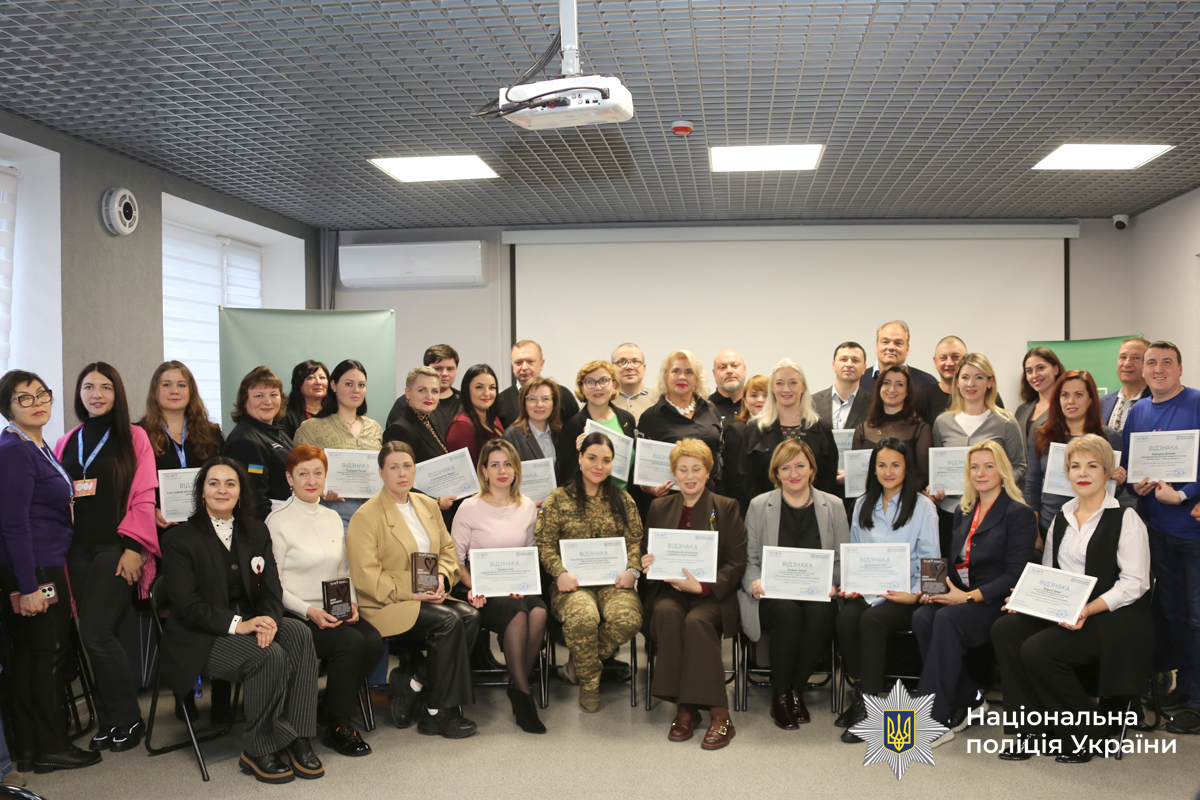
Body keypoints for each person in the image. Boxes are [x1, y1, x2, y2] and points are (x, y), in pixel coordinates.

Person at [159, 457, 322, 783]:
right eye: (214, 483)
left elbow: (271, 590)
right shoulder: (180, 539)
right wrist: (241, 624)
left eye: (230, 483)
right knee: (268, 654)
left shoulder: (256, 531)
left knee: (299, 634)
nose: (222, 490)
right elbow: (187, 607)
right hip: (200, 637)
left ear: (240, 492)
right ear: (201, 490)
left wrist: (270, 619)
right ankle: (258, 748)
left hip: (251, 623)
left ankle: (299, 735)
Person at [993, 434, 1152, 763]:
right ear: (1066, 472)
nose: (1083, 472)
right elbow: (1050, 572)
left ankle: (1085, 736)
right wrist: (1025, 599)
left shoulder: (1125, 518)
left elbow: (1135, 584)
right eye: (1075, 465)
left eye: (1092, 465)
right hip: (1066, 609)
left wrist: (1087, 608)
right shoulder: (1061, 518)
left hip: (1110, 617)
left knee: (1038, 650)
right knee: (1005, 628)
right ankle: (1032, 731)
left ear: (1107, 471)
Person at [55, 362, 159, 755]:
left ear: (117, 393)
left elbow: (145, 493)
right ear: (79, 394)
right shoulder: (67, 441)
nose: (95, 394)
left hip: (116, 548)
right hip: (75, 550)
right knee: (96, 634)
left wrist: (135, 548)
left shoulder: (133, 437)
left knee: (96, 632)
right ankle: (111, 718)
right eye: (87, 387)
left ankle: (127, 715)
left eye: (104, 387)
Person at [0, 370, 101, 773]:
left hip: (43, 563)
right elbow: (13, 524)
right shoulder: (14, 450)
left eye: (41, 393)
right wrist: (27, 587)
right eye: (23, 398)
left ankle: (29, 747)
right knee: (47, 656)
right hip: (35, 569)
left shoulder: (36, 445)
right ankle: (50, 746)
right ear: (7, 407)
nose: (37, 401)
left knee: (33, 658)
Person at [346, 442, 480, 738]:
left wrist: (443, 578)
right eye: (393, 467)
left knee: (469, 616)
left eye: (407, 466)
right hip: (385, 604)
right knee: (450, 621)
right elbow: (366, 576)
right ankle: (438, 713)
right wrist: (413, 592)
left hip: (431, 594)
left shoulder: (427, 505)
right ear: (381, 472)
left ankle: (415, 684)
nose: (401, 473)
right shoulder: (366, 516)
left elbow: (447, 551)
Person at [913, 441, 1037, 745]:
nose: (981, 473)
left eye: (988, 466)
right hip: (963, 596)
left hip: (996, 602)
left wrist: (967, 597)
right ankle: (970, 696)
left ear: (1003, 471)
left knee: (948, 619)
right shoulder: (964, 509)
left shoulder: (1018, 513)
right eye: (974, 467)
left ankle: (934, 717)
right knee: (922, 616)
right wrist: (937, 589)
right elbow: (957, 563)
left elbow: (1015, 574)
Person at [267, 445, 383, 757]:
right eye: (302, 473)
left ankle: (331, 701)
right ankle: (337, 725)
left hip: (333, 608)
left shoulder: (332, 517)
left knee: (372, 640)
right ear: (289, 478)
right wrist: (310, 611)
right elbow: (272, 586)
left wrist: (353, 603)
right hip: (296, 614)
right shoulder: (277, 521)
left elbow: (343, 569)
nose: (311, 479)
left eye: (318, 472)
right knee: (350, 643)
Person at [640, 439, 746, 749]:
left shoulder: (726, 507)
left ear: (707, 471)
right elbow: (647, 553)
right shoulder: (659, 507)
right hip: (671, 591)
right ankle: (685, 710)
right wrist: (647, 561)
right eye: (682, 469)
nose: (689, 476)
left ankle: (719, 714)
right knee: (666, 613)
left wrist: (702, 587)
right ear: (673, 473)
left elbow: (736, 563)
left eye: (696, 469)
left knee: (696, 622)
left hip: (711, 595)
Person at [738, 439, 848, 729]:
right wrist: (754, 582)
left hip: (818, 593)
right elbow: (749, 559)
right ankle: (780, 695)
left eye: (800, 465)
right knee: (787, 613)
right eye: (785, 467)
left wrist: (835, 584)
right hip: (773, 594)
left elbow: (841, 558)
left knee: (820, 614)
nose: (793, 473)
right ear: (776, 473)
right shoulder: (760, 505)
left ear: (812, 469)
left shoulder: (833, 506)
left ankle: (796, 690)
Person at [836, 439, 939, 742]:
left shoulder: (923, 507)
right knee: (844, 620)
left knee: (872, 621)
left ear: (907, 469)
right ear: (873, 469)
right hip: (868, 591)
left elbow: (933, 563)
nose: (888, 471)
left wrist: (917, 594)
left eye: (896, 464)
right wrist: (852, 584)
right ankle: (860, 692)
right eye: (882, 465)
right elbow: (854, 551)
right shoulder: (862, 503)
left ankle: (868, 707)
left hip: (906, 595)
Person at [1122, 341, 1200, 734]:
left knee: (1197, 617)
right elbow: (1133, 468)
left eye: (1166, 362)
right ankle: (1185, 690)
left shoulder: (1198, 402)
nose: (1157, 368)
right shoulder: (1139, 410)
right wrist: (1136, 484)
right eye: (1150, 363)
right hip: (1158, 532)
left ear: (1180, 369)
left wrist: (1186, 494)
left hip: (1193, 531)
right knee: (1172, 617)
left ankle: (1198, 701)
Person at [536, 432, 643, 711]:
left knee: (628, 618)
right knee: (583, 617)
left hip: (613, 583)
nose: (599, 466)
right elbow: (544, 543)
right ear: (580, 458)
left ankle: (578, 665)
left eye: (606, 460)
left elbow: (635, 542)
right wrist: (558, 572)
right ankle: (590, 684)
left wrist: (633, 569)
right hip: (571, 584)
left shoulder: (624, 500)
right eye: (593, 458)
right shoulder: (558, 499)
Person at [451, 439, 547, 734]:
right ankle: (524, 695)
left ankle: (516, 684)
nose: (502, 470)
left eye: (507, 464)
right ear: (484, 471)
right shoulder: (469, 508)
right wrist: (475, 585)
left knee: (540, 613)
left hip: (518, 585)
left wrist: (525, 581)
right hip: (484, 589)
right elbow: (455, 560)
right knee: (518, 616)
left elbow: (531, 552)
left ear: (516, 469)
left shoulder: (527, 505)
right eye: (495, 464)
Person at [930, 353, 1026, 558]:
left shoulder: (1006, 422)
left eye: (979, 377)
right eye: (965, 377)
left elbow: (1019, 466)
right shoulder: (942, 422)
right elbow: (938, 467)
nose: (970, 383)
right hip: (950, 514)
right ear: (957, 382)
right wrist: (936, 486)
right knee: (951, 573)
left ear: (990, 382)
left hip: (992, 513)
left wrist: (994, 483)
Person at [1024, 370, 1124, 538]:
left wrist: (1119, 482)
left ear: (1091, 399)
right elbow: (1032, 487)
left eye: (1078, 395)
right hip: (1049, 525)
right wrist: (1035, 533)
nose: (1071, 401)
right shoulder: (1041, 436)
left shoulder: (1108, 438)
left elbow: (1113, 492)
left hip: (1094, 528)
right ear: (1058, 400)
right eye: (1064, 395)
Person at [294, 359, 384, 529]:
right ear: (333, 385)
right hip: (331, 512)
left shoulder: (374, 428)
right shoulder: (312, 428)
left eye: (361, 385)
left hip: (374, 512)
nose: (356, 390)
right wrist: (320, 490)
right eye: (349, 384)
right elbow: (298, 472)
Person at [139, 360, 226, 530]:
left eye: (181, 385)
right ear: (155, 391)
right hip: (161, 529)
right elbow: (132, 487)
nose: (174, 391)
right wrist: (149, 511)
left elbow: (226, 476)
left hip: (208, 526)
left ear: (191, 391)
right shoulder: (139, 434)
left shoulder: (212, 434)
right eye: (166, 385)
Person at [741, 358, 839, 499]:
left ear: (803, 387)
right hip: (767, 512)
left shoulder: (820, 428)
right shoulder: (754, 429)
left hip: (813, 512)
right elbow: (746, 479)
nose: (786, 389)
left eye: (793, 383)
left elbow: (829, 479)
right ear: (772, 388)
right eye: (779, 383)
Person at [639, 350, 725, 493]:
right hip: (672, 501)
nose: (682, 377)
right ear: (665, 377)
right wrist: (651, 489)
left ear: (697, 379)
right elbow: (641, 469)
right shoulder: (650, 418)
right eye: (676, 371)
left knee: (713, 517)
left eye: (689, 372)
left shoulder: (710, 409)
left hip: (712, 498)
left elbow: (720, 453)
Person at [224, 366, 293, 520]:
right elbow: (254, 498)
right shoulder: (244, 441)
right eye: (259, 396)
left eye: (274, 395)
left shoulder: (276, 431)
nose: (268, 402)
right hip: (269, 526)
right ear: (244, 401)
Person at [557, 360, 636, 489]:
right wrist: (580, 453)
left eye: (604, 380)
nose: (598, 387)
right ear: (582, 388)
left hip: (625, 501)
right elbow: (566, 476)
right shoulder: (573, 426)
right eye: (590, 381)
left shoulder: (627, 419)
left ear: (614, 385)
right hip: (590, 503)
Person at [852, 365, 932, 488]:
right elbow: (857, 475)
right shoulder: (863, 429)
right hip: (870, 500)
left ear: (907, 392)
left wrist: (895, 496)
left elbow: (923, 475)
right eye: (886, 383)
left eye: (899, 384)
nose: (892, 389)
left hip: (907, 502)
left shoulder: (920, 429)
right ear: (879, 388)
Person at [494, 340, 580, 428]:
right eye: (518, 363)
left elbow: (575, 432)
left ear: (541, 364)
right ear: (512, 365)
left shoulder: (563, 395)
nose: (524, 367)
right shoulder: (500, 401)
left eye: (530, 362)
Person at [385, 344, 461, 437]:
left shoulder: (465, 401)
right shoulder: (405, 402)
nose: (445, 374)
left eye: (450, 369)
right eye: (438, 368)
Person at [723, 374, 768, 514]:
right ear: (745, 402)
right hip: (747, 508)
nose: (760, 400)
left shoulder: (781, 430)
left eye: (766, 395)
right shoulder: (736, 430)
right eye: (754, 395)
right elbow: (734, 480)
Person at [859, 320, 938, 397]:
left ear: (907, 349)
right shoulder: (859, 380)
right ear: (877, 347)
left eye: (898, 343)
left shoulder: (927, 383)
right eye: (885, 342)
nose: (891, 347)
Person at [446, 364, 505, 466]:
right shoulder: (462, 426)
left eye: (492, 387)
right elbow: (465, 472)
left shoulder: (494, 419)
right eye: (479, 387)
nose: (487, 393)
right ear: (467, 390)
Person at [501, 375, 563, 467]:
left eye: (545, 399)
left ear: (554, 404)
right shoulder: (512, 436)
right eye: (532, 399)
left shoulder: (559, 434)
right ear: (524, 404)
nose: (539, 405)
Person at [813, 341, 871, 432]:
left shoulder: (874, 404)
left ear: (864, 368)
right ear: (834, 365)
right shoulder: (812, 402)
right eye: (843, 359)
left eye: (855, 360)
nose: (849, 365)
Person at [1015, 346, 1065, 450]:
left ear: (1056, 369)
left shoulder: (1066, 407)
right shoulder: (1021, 410)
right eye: (1029, 371)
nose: (1034, 375)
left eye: (1040, 368)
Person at [1100, 336, 1151, 433]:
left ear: (1149, 364)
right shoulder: (1102, 404)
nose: (1127, 363)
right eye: (1123, 357)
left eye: (1136, 358)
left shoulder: (1158, 402)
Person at [915, 336, 968, 425]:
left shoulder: (983, 395)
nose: (949, 363)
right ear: (935, 362)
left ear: (966, 360)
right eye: (943, 358)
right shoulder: (922, 399)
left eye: (956, 357)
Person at [282, 360, 329, 439]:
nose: (318, 382)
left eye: (322, 377)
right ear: (298, 384)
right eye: (311, 378)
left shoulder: (335, 412)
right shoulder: (287, 416)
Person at [612, 343, 655, 421]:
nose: (629, 367)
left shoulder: (658, 400)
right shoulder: (601, 400)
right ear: (612, 368)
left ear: (644, 368)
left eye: (635, 362)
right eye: (622, 362)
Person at [709, 349, 747, 420]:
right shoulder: (704, 408)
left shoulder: (761, 405)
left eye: (735, 366)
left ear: (745, 370)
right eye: (723, 367)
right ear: (714, 373)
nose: (729, 371)